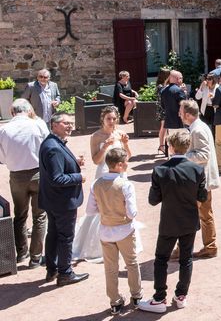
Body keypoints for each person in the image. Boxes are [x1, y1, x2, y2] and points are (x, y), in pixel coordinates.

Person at [138, 131, 208, 313]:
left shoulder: (160, 170)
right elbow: (202, 196)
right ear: (187, 147)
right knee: (186, 259)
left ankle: (159, 298)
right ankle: (181, 296)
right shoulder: (198, 169)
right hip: (189, 220)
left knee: (161, 259)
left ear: (170, 147)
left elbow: (153, 200)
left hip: (169, 221)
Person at [85, 148, 142, 315]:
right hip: (124, 229)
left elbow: (90, 211)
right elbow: (132, 213)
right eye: (125, 162)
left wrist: (106, 210)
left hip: (106, 231)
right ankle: (136, 296)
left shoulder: (96, 184)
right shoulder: (126, 185)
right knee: (131, 263)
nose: (127, 164)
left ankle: (115, 301)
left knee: (110, 267)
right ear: (119, 165)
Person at [73, 106, 131, 262]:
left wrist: (125, 144)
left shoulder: (120, 134)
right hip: (104, 173)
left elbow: (128, 157)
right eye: (108, 119)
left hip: (120, 173)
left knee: (122, 204)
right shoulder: (96, 136)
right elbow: (96, 160)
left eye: (113, 119)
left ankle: (123, 240)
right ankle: (99, 245)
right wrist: (105, 145)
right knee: (102, 206)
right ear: (103, 120)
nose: (111, 122)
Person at [39, 113, 89, 286]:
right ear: (54, 125)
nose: (70, 126)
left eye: (72, 123)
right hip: (62, 201)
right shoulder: (53, 147)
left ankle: (52, 269)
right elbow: (57, 178)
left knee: (53, 234)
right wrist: (78, 177)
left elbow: (56, 168)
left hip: (53, 200)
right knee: (65, 237)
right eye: (66, 123)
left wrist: (73, 162)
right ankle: (65, 273)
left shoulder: (52, 143)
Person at [0, 99, 49, 267]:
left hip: (16, 176)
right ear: (29, 110)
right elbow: (47, 148)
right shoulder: (38, 124)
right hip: (37, 173)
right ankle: (35, 257)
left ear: (13, 112)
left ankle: (22, 253)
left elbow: (1, 157)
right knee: (40, 216)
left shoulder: (4, 129)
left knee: (20, 215)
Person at [179, 100, 220, 259]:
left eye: (181, 112)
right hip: (199, 179)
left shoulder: (197, 130)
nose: (179, 114)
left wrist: (182, 157)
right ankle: (208, 246)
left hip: (199, 181)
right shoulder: (199, 127)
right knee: (201, 213)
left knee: (201, 213)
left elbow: (203, 155)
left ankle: (210, 246)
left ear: (188, 114)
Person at [161, 70, 188, 138]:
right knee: (180, 143)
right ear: (177, 79)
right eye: (181, 78)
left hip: (169, 121)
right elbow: (186, 106)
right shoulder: (179, 91)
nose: (182, 80)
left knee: (171, 142)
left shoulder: (163, 91)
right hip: (179, 122)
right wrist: (185, 93)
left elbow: (163, 106)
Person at [155, 68, 171, 156]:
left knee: (165, 127)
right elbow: (162, 99)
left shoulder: (164, 85)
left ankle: (163, 145)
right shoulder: (160, 86)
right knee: (164, 127)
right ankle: (161, 145)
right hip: (163, 108)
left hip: (164, 108)